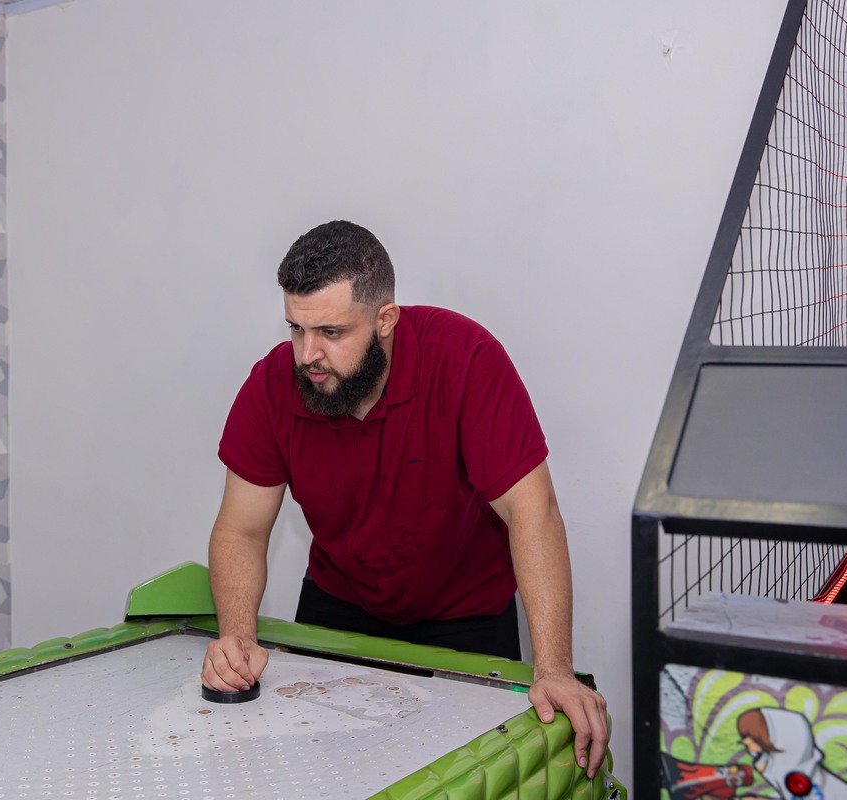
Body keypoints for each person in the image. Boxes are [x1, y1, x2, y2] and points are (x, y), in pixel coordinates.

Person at [200, 220, 609, 777]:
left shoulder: (466, 358)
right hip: (339, 602)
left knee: (472, 776)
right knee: (320, 771)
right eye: (296, 328)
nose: (307, 354)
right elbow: (241, 529)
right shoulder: (273, 384)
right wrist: (236, 637)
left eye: (331, 332)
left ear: (385, 320)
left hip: (464, 611)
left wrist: (554, 668)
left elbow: (532, 511)